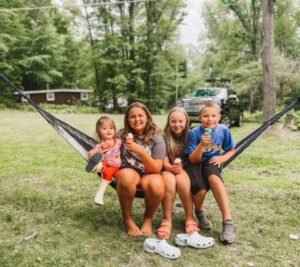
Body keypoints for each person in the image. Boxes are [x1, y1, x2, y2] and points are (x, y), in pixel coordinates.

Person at [184, 100, 236, 244]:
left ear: (219, 117)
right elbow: (192, 159)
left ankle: (228, 221)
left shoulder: (224, 130)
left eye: (213, 116)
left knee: (215, 179)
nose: (210, 119)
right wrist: (201, 145)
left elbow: (232, 149)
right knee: (200, 190)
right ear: (200, 118)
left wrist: (222, 157)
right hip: (194, 163)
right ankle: (199, 212)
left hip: (212, 161)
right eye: (206, 116)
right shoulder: (194, 133)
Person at [115, 102, 166, 237]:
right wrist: (94, 152)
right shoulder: (121, 136)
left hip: (149, 174)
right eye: (132, 117)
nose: (137, 120)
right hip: (128, 172)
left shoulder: (157, 138)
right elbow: (105, 146)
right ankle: (127, 219)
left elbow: (156, 169)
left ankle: (148, 218)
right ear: (127, 120)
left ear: (147, 117)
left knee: (157, 183)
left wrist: (142, 152)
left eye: (140, 116)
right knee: (126, 176)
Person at [157, 107, 200, 239]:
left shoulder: (191, 135)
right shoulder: (163, 136)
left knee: (182, 182)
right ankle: (167, 219)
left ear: (186, 122)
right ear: (168, 122)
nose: (177, 125)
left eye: (181, 121)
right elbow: (162, 158)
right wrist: (169, 167)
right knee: (169, 182)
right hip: (166, 168)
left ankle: (189, 217)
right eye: (173, 121)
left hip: (184, 169)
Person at [86, 116, 122, 206]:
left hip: (118, 168)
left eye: (111, 128)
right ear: (99, 132)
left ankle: (98, 168)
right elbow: (93, 152)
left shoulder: (118, 141)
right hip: (108, 167)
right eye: (104, 129)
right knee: (105, 166)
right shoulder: (100, 145)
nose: (109, 130)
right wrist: (93, 152)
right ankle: (99, 194)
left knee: (109, 169)